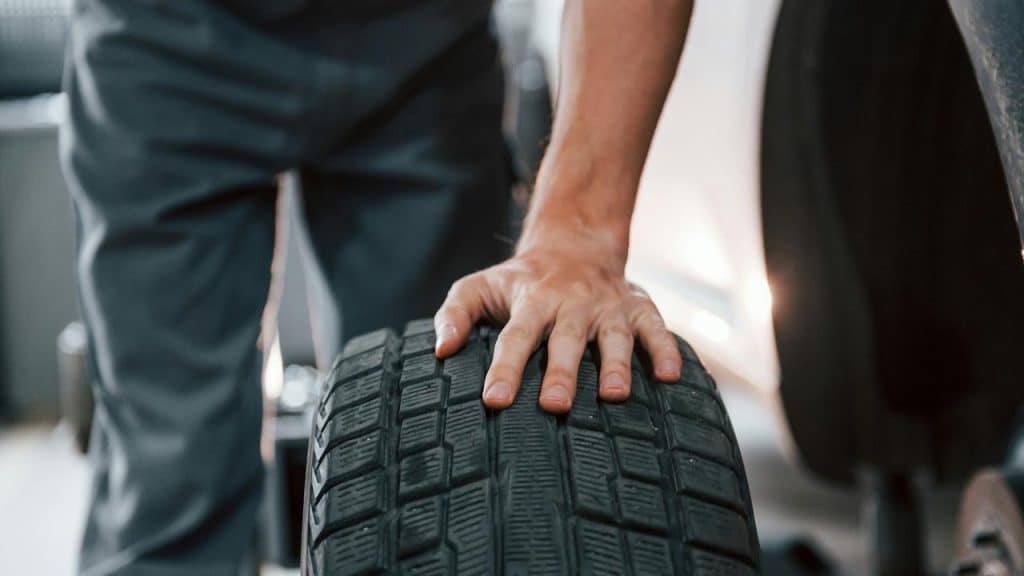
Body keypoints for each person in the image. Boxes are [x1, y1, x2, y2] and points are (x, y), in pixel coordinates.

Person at [62, 0, 693, 573]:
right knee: (168, 482)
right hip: (163, 36)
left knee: (439, 481)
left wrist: (579, 229)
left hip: (420, 47)